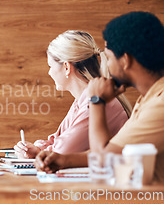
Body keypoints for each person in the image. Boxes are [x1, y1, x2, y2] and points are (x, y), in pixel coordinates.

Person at [35, 11, 164, 183]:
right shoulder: (149, 100)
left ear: (125, 61)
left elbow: (104, 160)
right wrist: (64, 161)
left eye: (109, 58)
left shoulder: (160, 105)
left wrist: (96, 101)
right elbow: (113, 150)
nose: (107, 67)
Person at [14, 30, 131, 159]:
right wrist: (38, 149)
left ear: (66, 67)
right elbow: (59, 139)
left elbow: (62, 150)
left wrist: (39, 152)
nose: (49, 73)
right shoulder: (83, 99)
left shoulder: (93, 100)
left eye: (50, 66)